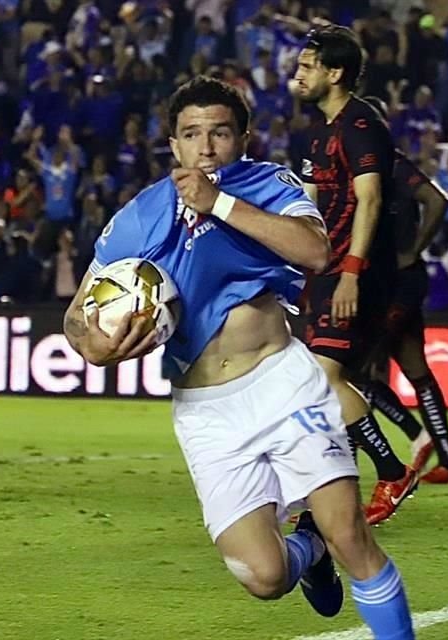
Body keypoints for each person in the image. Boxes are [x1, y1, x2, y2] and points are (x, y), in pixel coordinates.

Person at [62, 76, 414, 640]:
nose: (205, 147)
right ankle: (309, 552)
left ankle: (347, 567)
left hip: (281, 382)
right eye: (191, 135)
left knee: (351, 533)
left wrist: (219, 203)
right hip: (205, 411)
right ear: (173, 145)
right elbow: (80, 312)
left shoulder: (269, 184)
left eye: (219, 133)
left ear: (243, 138)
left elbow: (317, 251)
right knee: (265, 575)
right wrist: (94, 345)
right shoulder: (139, 215)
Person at [292, 26, 419, 525]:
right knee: (323, 381)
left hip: (356, 272)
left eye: (307, 66)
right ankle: (324, 494)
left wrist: (350, 274)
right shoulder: (319, 132)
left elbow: (371, 199)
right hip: (326, 269)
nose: (298, 74)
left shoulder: (360, 126)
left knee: (323, 378)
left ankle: (392, 471)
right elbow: (310, 203)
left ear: (334, 73)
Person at [360, 95, 448, 487]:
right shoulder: (372, 165)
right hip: (391, 279)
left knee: (356, 369)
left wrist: (412, 250)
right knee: (414, 368)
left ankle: (414, 436)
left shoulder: (388, 163)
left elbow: (437, 201)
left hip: (398, 280)